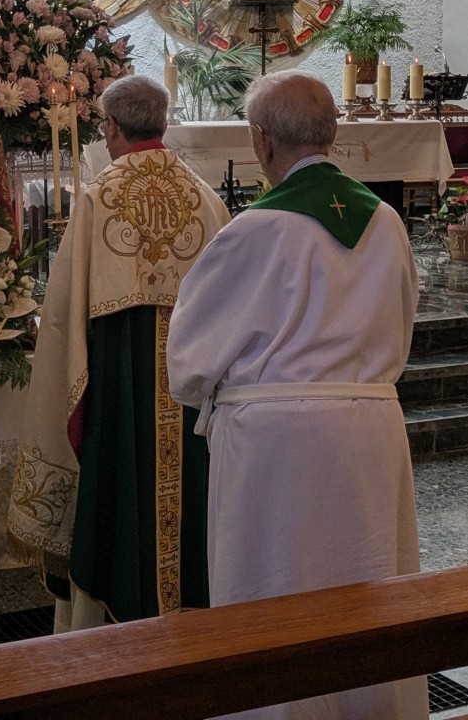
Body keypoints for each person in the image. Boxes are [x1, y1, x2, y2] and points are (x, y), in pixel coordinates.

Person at [167, 70, 427, 720]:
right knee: (367, 592)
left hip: (275, 445)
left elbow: (191, 362)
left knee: (276, 595)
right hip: (370, 430)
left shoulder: (254, 230)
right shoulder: (387, 221)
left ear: (260, 141)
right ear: (332, 134)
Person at [7, 75, 230, 630]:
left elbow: (61, 320)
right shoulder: (205, 199)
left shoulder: (97, 197)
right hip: (191, 396)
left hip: (118, 391)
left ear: (111, 128)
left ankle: (106, 635)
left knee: (120, 500)